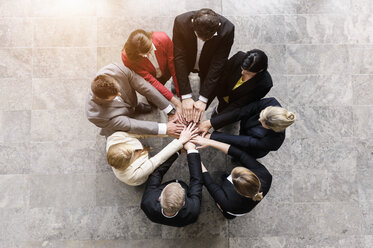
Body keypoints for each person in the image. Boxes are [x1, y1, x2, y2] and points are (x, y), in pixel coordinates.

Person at [86, 63, 183, 137]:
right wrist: (164, 128)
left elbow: (145, 87)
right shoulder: (96, 115)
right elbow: (130, 124)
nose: (119, 94)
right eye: (114, 96)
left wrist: (170, 110)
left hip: (131, 103)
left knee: (133, 105)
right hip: (115, 122)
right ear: (101, 98)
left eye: (118, 90)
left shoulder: (116, 69)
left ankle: (135, 107)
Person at [173, 8, 235, 123]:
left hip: (208, 64)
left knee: (207, 81)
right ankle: (178, 87)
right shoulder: (180, 22)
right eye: (199, 36)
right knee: (179, 77)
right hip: (187, 60)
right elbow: (179, 57)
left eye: (208, 38)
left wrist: (203, 99)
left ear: (219, 25)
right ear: (193, 24)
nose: (203, 40)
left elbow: (218, 64)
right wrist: (186, 96)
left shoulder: (228, 29)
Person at [190, 135, 272, 219]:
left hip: (232, 210)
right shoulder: (266, 176)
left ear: (236, 189)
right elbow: (241, 155)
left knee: (226, 212)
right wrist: (210, 142)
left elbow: (210, 184)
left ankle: (226, 214)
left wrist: (193, 155)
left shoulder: (229, 203)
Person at [141, 128, 203, 227]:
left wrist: (177, 152)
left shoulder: (147, 203)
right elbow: (196, 181)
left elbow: (157, 174)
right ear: (183, 203)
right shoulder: (193, 210)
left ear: (160, 197)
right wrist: (191, 150)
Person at [198, 97, 295, 158]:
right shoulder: (271, 102)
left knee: (240, 154)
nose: (259, 119)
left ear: (272, 128)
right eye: (261, 115)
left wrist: (212, 137)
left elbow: (245, 141)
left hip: (252, 149)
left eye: (263, 122)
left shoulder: (274, 141)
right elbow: (243, 111)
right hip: (247, 130)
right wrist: (211, 123)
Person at [106, 124, 198, 186]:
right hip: (139, 179)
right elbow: (157, 160)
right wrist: (180, 141)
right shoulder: (133, 175)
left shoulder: (114, 138)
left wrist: (166, 131)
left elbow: (140, 133)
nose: (134, 150)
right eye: (133, 154)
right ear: (129, 162)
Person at [122, 29, 182, 116]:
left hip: (165, 71)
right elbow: (150, 80)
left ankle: (175, 87)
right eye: (144, 54)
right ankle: (153, 100)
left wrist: (180, 94)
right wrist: (174, 101)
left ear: (150, 39)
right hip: (150, 78)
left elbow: (173, 65)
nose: (149, 54)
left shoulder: (163, 38)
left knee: (174, 82)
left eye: (150, 49)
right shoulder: (127, 58)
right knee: (153, 96)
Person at [215, 49, 273, 115]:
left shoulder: (264, 85)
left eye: (248, 73)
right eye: (242, 69)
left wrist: (222, 116)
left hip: (235, 103)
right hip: (223, 93)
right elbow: (223, 78)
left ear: (260, 70)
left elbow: (242, 103)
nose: (242, 73)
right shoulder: (238, 57)